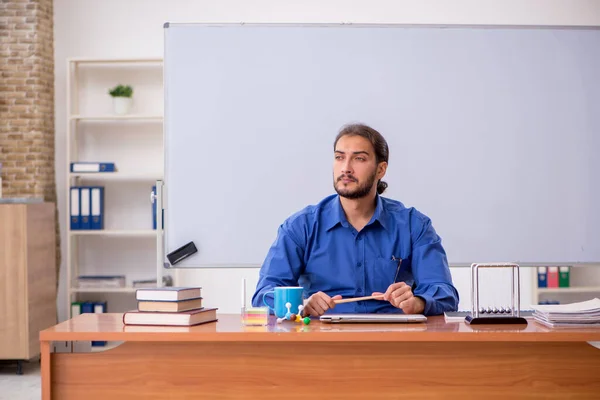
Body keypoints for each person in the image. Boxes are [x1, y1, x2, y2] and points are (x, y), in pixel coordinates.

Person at [252, 123, 459, 317]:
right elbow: (264, 294)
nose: (346, 168)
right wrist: (301, 305)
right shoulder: (301, 226)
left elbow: (444, 293)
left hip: (392, 343)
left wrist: (418, 302)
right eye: (339, 157)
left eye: (359, 159)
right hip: (321, 343)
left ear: (381, 169)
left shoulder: (414, 225)